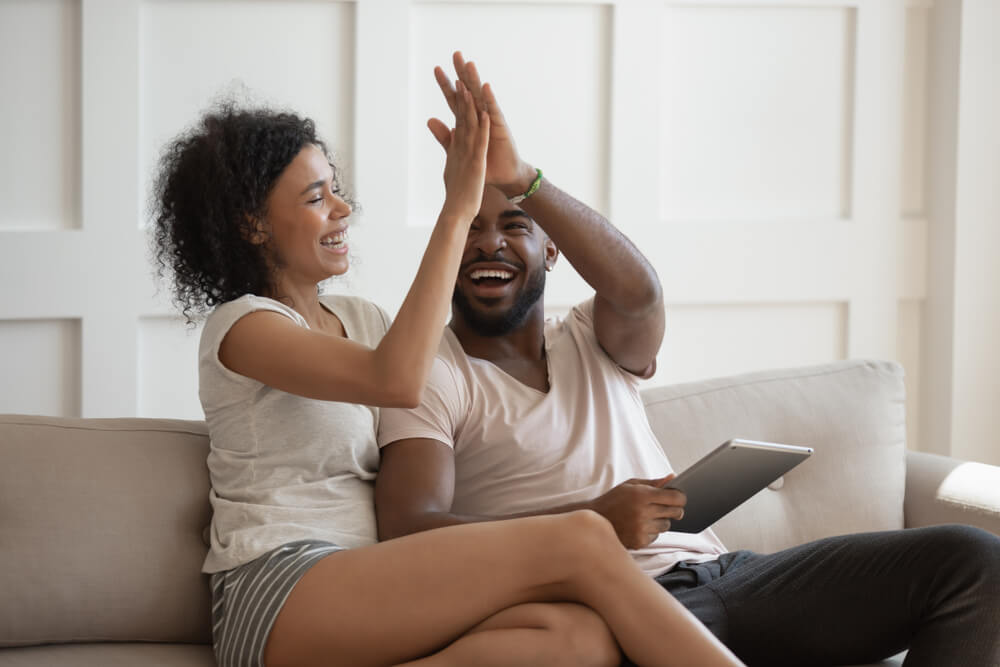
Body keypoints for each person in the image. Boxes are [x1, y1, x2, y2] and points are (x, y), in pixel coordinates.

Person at [376, 53, 1000, 666]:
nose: (489, 244)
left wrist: (525, 180)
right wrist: (591, 522)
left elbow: (640, 293)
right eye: (469, 230)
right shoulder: (432, 372)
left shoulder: (591, 334)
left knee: (973, 562)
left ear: (553, 250)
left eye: (514, 225)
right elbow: (408, 529)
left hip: (724, 577)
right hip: (606, 611)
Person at [150, 63, 746, 666]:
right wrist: (460, 205)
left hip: (369, 579)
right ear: (252, 223)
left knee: (579, 641)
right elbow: (397, 381)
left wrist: (508, 183)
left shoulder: (363, 319)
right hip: (280, 587)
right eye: (316, 197)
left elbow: (409, 368)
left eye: (336, 189)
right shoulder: (244, 326)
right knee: (584, 538)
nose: (342, 209)